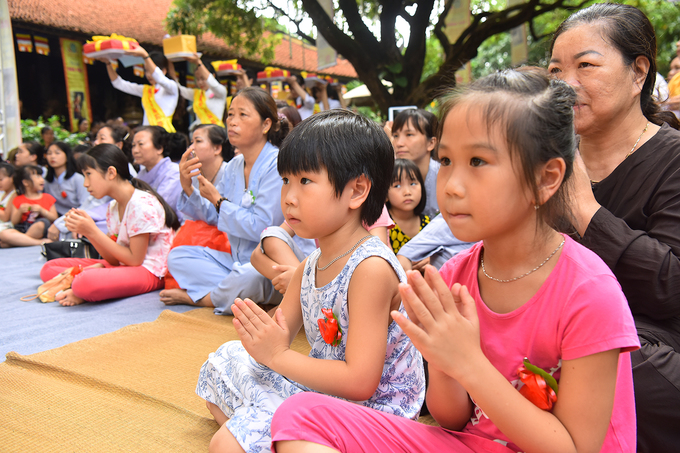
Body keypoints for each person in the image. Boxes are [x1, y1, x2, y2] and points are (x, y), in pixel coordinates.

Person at [269, 67, 640, 453]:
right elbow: (451, 418)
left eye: (477, 161)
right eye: (445, 161)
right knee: (301, 415)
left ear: (546, 178)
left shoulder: (588, 291)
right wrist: (442, 361)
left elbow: (574, 448)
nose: (451, 185)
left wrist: (466, 362)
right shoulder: (456, 275)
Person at [197, 109, 425, 453]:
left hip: (371, 412)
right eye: (286, 180)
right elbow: (278, 338)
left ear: (356, 191)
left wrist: (275, 356)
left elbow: (361, 382)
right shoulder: (312, 263)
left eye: (304, 181)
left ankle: (276, 434)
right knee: (223, 362)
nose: (288, 196)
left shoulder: (371, 268)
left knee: (226, 443)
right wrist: (260, 341)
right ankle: (276, 433)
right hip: (322, 390)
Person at [549, 4, 680, 452]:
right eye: (555, 70)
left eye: (585, 65)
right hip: (556, 331)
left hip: (650, 342)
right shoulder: (547, 165)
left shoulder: (673, 158)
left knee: (617, 371)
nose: (566, 85)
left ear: (638, 71)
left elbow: (670, 287)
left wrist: (586, 208)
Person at [163, 87, 290, 313]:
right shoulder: (233, 167)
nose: (232, 121)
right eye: (230, 114)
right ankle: (238, 295)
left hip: (268, 264)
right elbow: (214, 215)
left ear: (266, 125)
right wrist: (187, 186)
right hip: (236, 261)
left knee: (248, 276)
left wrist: (219, 200)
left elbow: (262, 227)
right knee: (178, 256)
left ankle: (205, 299)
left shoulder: (277, 164)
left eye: (243, 114)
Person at [39, 144, 179, 306]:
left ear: (111, 172)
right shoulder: (113, 206)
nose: (85, 183)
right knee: (49, 268)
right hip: (125, 265)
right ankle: (86, 280)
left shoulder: (140, 204)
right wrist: (90, 232)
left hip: (151, 271)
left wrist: (92, 231)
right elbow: (113, 259)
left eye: (89, 174)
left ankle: (82, 285)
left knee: (85, 282)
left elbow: (135, 260)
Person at [159, 123, 234, 301]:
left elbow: (224, 216)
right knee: (176, 255)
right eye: (191, 142)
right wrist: (187, 187)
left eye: (198, 141)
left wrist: (190, 191)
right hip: (201, 241)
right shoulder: (193, 176)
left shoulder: (231, 171)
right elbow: (191, 219)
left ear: (217, 148)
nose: (191, 148)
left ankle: (202, 296)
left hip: (228, 242)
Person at [103, 46, 178, 132]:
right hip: (147, 134)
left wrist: (145, 56)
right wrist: (108, 63)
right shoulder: (146, 90)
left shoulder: (172, 87)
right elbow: (119, 84)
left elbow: (159, 78)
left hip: (164, 133)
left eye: (150, 70)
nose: (149, 75)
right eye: (146, 70)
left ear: (164, 71)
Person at [391, 109, 440, 217]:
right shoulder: (388, 175)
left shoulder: (444, 176)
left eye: (409, 134)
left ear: (431, 143)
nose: (399, 143)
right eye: (395, 136)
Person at [131, 126, 182, 220]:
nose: (135, 150)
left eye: (141, 144)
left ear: (159, 148)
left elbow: (160, 208)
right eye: (133, 145)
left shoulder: (173, 173)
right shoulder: (141, 175)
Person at [0, 165, 57, 247]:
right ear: (25, 182)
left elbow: (54, 217)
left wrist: (42, 211)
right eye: (37, 177)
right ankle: (37, 242)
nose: (41, 180)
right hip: (21, 229)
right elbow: (14, 221)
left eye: (41, 176)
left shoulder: (47, 197)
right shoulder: (18, 199)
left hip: (38, 228)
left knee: (41, 224)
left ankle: (18, 241)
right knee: (4, 234)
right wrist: (20, 211)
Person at [387, 158, 429, 254]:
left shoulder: (428, 224)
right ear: (385, 195)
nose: (407, 192)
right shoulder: (384, 227)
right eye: (397, 186)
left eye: (413, 183)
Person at [177, 53, 227, 130]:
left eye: (202, 78)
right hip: (200, 133)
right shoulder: (196, 93)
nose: (200, 82)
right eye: (197, 79)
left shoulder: (220, 92)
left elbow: (213, 84)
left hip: (215, 133)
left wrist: (198, 63)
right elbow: (177, 88)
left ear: (212, 76)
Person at [43, 142, 89, 216]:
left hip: (75, 217)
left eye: (57, 153)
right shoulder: (47, 180)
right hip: (54, 217)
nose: (52, 156)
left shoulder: (78, 179)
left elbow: (85, 205)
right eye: (49, 153)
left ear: (67, 156)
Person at [0, 163, 17, 233]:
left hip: (5, 227)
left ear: (12, 178)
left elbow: (5, 217)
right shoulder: (2, 193)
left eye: (1, 179)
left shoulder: (14, 194)